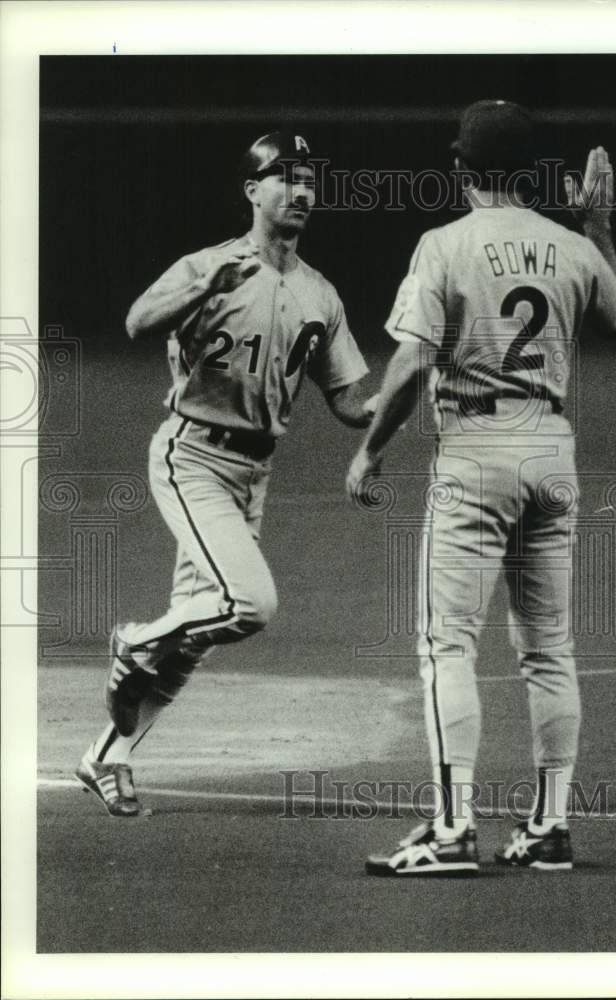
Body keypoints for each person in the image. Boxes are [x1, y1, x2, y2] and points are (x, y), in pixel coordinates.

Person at [347, 100, 616, 875]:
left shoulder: (445, 244)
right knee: (548, 649)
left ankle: (450, 830)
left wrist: (370, 452)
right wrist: (597, 220)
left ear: (463, 167)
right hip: (551, 449)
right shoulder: (569, 247)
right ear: (535, 171)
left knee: (447, 643)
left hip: (474, 447)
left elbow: (408, 363)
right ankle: (550, 826)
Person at [77, 131, 374, 817]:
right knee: (249, 604)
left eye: (309, 179)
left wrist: (399, 398)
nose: (301, 191)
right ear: (252, 191)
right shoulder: (208, 264)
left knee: (192, 639)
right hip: (193, 458)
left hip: (253, 473)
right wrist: (201, 287)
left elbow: (349, 400)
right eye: (284, 177)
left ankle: (105, 756)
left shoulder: (320, 294)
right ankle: (131, 641)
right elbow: (134, 322)